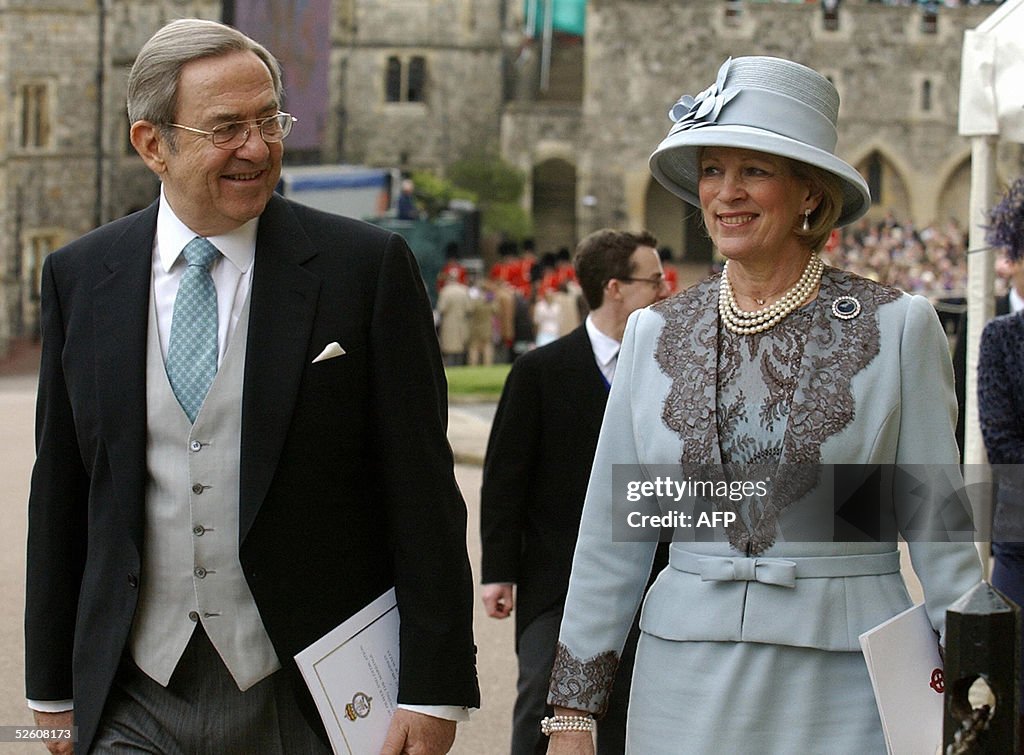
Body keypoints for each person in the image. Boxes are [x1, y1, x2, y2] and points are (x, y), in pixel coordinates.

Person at [24, 18, 478, 755]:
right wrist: (50, 691)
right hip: (130, 693)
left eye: (269, 119)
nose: (259, 147)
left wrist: (434, 687)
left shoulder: (364, 269)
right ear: (151, 145)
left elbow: (422, 490)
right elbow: (63, 490)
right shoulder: (81, 277)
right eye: (227, 127)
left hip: (306, 692)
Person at [544, 56, 981, 754]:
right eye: (713, 169)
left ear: (810, 191)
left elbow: (940, 530)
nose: (726, 193)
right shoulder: (655, 331)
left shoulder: (901, 327)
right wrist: (573, 711)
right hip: (681, 684)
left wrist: (979, 684)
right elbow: (611, 532)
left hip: (847, 684)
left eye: (754, 170)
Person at [481, 229, 670, 755]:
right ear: (615, 287)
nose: (663, 291)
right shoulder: (539, 371)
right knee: (545, 700)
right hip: (556, 580)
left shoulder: (671, 373)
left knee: (631, 707)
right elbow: (505, 477)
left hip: (653, 577)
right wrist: (499, 570)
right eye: (653, 280)